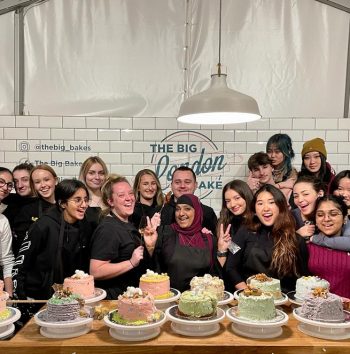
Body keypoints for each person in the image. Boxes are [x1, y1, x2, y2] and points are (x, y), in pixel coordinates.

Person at [15, 179, 92, 299]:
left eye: (86, 200)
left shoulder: (84, 224)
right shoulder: (43, 225)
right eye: (77, 200)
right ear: (62, 203)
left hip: (71, 296)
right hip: (39, 297)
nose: (84, 205)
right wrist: (22, 297)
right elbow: (21, 264)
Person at [225, 184, 308, 293]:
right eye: (260, 203)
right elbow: (231, 268)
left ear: (280, 206)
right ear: (254, 209)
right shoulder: (243, 232)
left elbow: (302, 279)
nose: (265, 208)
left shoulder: (296, 240)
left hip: (283, 302)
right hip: (250, 299)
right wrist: (249, 293)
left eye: (271, 202)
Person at [144, 194, 225, 292]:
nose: (181, 213)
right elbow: (153, 271)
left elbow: (214, 276)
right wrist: (150, 247)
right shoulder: (164, 232)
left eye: (187, 209)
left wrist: (222, 250)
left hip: (199, 300)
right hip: (169, 298)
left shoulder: (209, 239)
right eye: (178, 209)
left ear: (197, 211)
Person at [89, 176, 152, 299]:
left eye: (130, 193)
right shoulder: (108, 229)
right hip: (114, 300)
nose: (129, 198)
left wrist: (150, 244)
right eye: (121, 195)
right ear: (110, 201)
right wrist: (130, 263)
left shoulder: (126, 222)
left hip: (130, 297)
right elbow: (95, 271)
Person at [307, 195, 350, 298]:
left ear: (344, 218)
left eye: (333, 214)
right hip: (312, 309)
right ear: (316, 220)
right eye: (320, 215)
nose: (326, 219)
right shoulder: (307, 247)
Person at [12, 164, 58, 251]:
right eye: (37, 182)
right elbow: (23, 245)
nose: (19, 185)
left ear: (55, 180)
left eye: (46, 179)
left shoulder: (66, 204)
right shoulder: (26, 210)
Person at [160, 166, 217, 235]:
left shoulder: (207, 213)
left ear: (195, 185)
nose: (182, 186)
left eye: (187, 182)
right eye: (177, 182)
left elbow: (215, 242)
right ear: (171, 186)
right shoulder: (160, 211)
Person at [3, 162, 36, 256]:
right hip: (8, 259)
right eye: (16, 181)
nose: (19, 185)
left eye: (25, 180)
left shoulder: (44, 204)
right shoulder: (7, 199)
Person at [266, 134, 298, 204]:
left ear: (286, 152)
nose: (272, 155)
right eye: (269, 151)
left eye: (277, 152)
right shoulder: (262, 169)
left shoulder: (291, 172)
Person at [79, 156, 108, 228]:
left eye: (101, 173)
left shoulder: (110, 198)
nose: (97, 177)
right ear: (84, 175)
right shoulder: (77, 200)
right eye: (91, 173)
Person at [0, 167, 15, 296]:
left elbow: (7, 260)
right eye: (1, 181)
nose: (5, 187)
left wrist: (9, 296)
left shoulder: (3, 221)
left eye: (9, 185)